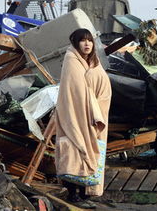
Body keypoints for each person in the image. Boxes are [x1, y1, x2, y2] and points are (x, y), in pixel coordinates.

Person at [55, 28, 112, 208]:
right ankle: (73, 194)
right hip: (76, 114)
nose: (87, 44)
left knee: (88, 153)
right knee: (75, 151)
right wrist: (92, 109)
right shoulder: (72, 61)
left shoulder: (92, 62)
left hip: (93, 115)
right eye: (82, 40)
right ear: (75, 43)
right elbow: (78, 93)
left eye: (90, 40)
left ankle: (84, 193)